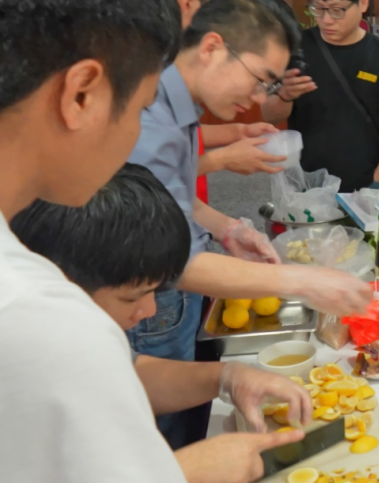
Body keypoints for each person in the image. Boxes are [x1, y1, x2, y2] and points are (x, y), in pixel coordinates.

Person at [0, 0, 294, 481]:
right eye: (138, 109)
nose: (139, 134)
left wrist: (224, 378)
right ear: (81, 94)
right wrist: (185, 472)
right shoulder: (41, 314)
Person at [128, 0, 372, 446]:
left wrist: (228, 228)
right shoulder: (150, 117)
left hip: (166, 291)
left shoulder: (179, 107)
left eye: (271, 86)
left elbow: (167, 197)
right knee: (159, 433)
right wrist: (303, 281)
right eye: (260, 79)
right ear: (212, 47)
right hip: (146, 302)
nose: (260, 96)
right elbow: (169, 262)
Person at [10, 164, 313, 483]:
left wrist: (227, 378)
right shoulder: (20, 361)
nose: (149, 309)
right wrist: (183, 471)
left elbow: (127, 373)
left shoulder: (70, 328)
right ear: (60, 282)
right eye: (132, 297)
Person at [138, 0, 287, 188]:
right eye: (217, 6)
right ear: (187, 5)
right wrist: (220, 160)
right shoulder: (141, 85)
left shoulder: (169, 73)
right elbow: (142, 180)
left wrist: (238, 132)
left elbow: (176, 139)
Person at [262, 0, 379, 190]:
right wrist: (284, 95)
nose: (326, 20)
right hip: (308, 182)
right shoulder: (296, 49)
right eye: (318, 9)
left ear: (363, 2)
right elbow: (269, 116)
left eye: (337, 10)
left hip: (364, 180)